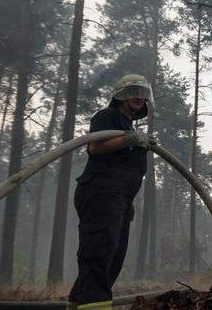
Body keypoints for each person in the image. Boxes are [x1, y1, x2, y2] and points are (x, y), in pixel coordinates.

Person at [67, 74, 157, 310]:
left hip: (119, 199)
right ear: (119, 95)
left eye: (142, 93)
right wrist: (131, 139)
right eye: (132, 92)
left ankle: (78, 305)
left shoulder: (128, 126)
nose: (138, 97)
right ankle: (94, 306)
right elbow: (96, 146)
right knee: (99, 254)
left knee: (113, 258)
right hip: (101, 193)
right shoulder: (108, 116)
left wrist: (128, 201)